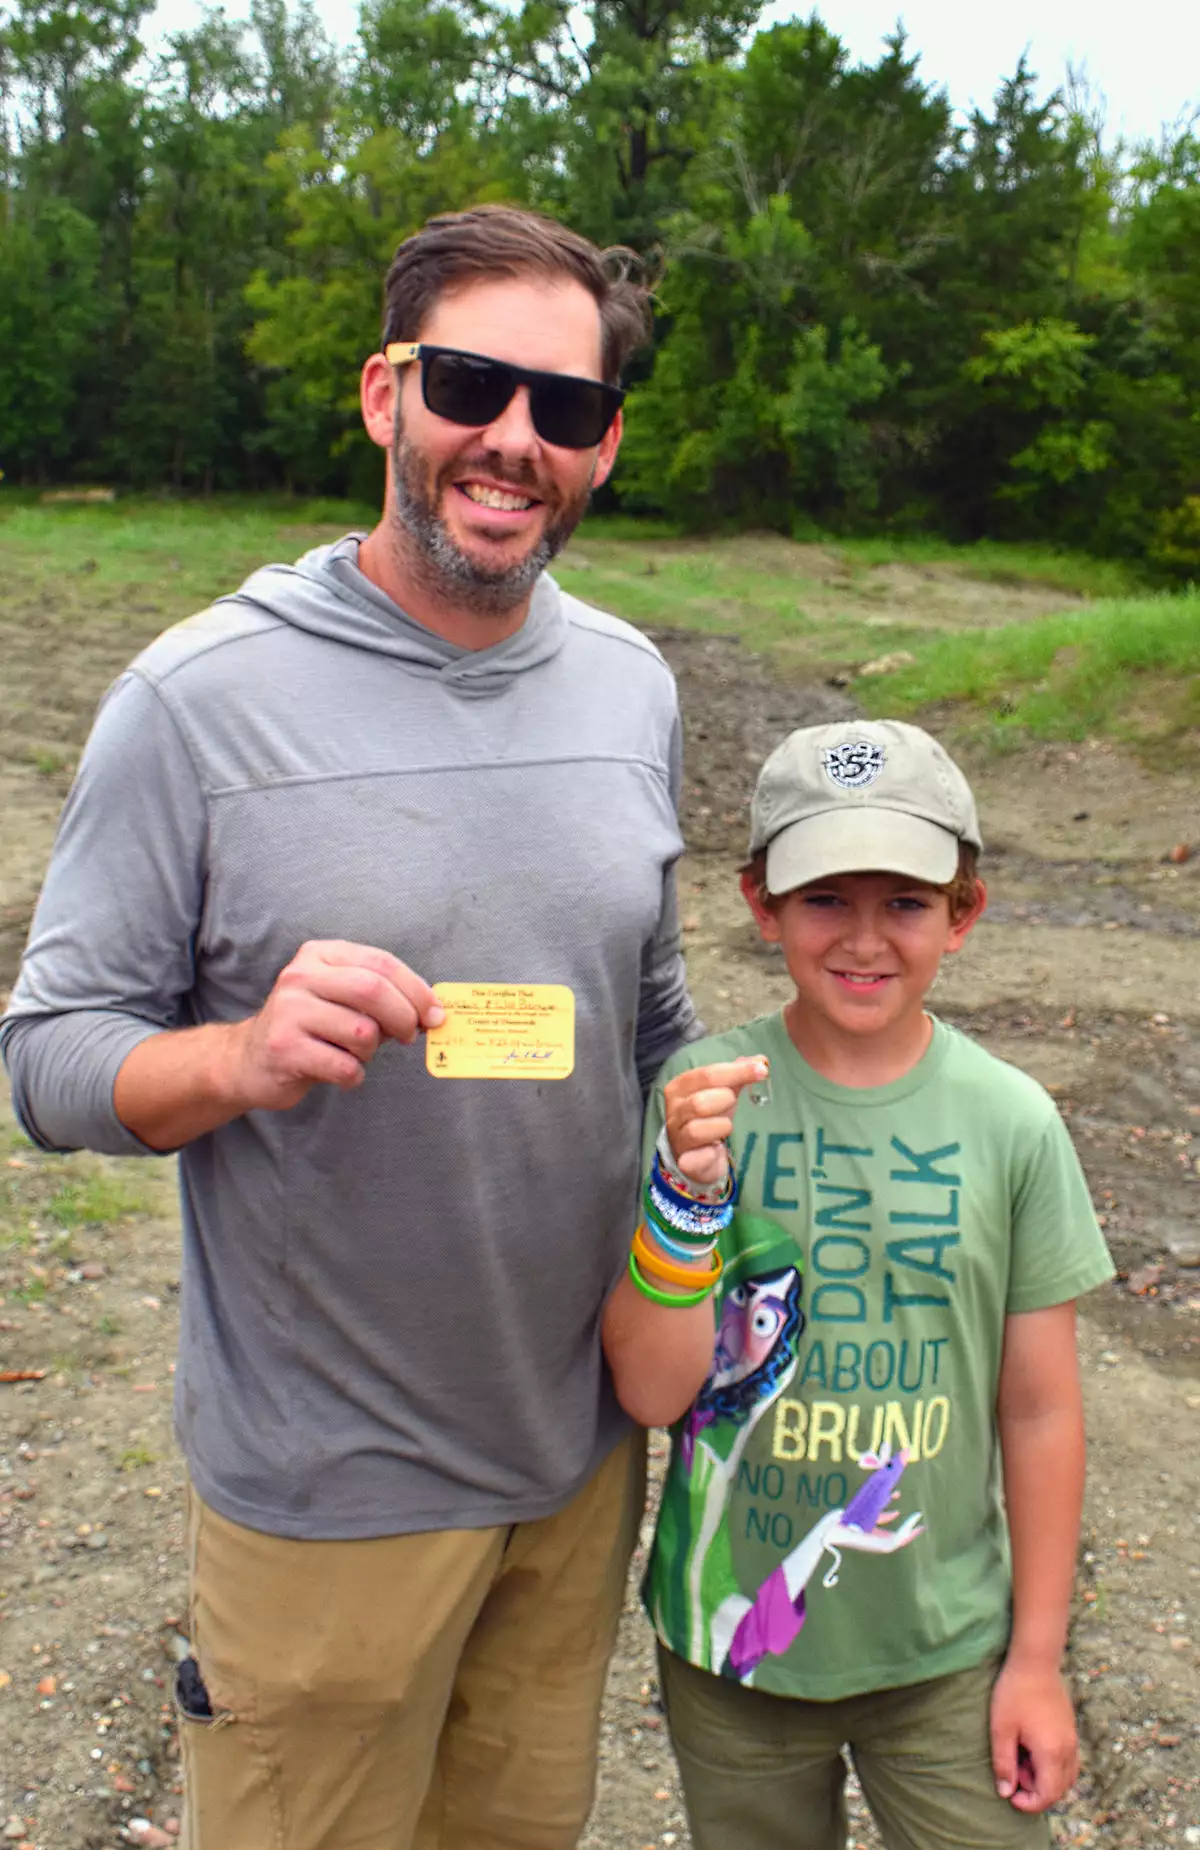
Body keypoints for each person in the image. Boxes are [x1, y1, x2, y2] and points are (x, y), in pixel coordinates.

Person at [0, 205, 703, 1850]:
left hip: (576, 1468)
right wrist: (239, 1057)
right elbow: (48, 1057)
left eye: (568, 410)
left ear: (606, 443)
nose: (516, 441)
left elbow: (649, 1014)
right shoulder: (196, 700)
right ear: (385, 392)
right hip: (329, 1503)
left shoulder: (632, 689)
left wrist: (698, 1130)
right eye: (473, 384)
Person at [601, 718, 1114, 1850]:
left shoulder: (1013, 1121)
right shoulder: (702, 1094)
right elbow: (648, 1388)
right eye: (827, 898)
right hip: (732, 1649)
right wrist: (687, 1202)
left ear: (964, 911)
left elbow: (1038, 1406)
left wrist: (1036, 1657)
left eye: (907, 902)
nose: (866, 937)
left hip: (947, 1655)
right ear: (761, 902)